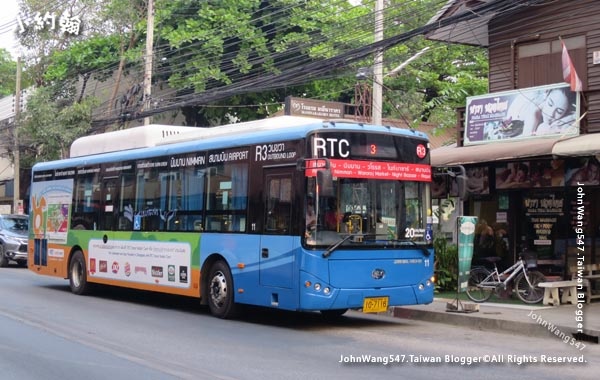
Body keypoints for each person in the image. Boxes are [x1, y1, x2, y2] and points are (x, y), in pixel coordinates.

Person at [503, 87, 575, 137]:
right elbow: (525, 143)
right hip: (511, 112)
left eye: (559, 111)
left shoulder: (569, 116)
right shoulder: (533, 113)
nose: (551, 114)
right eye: (550, 104)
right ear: (546, 94)